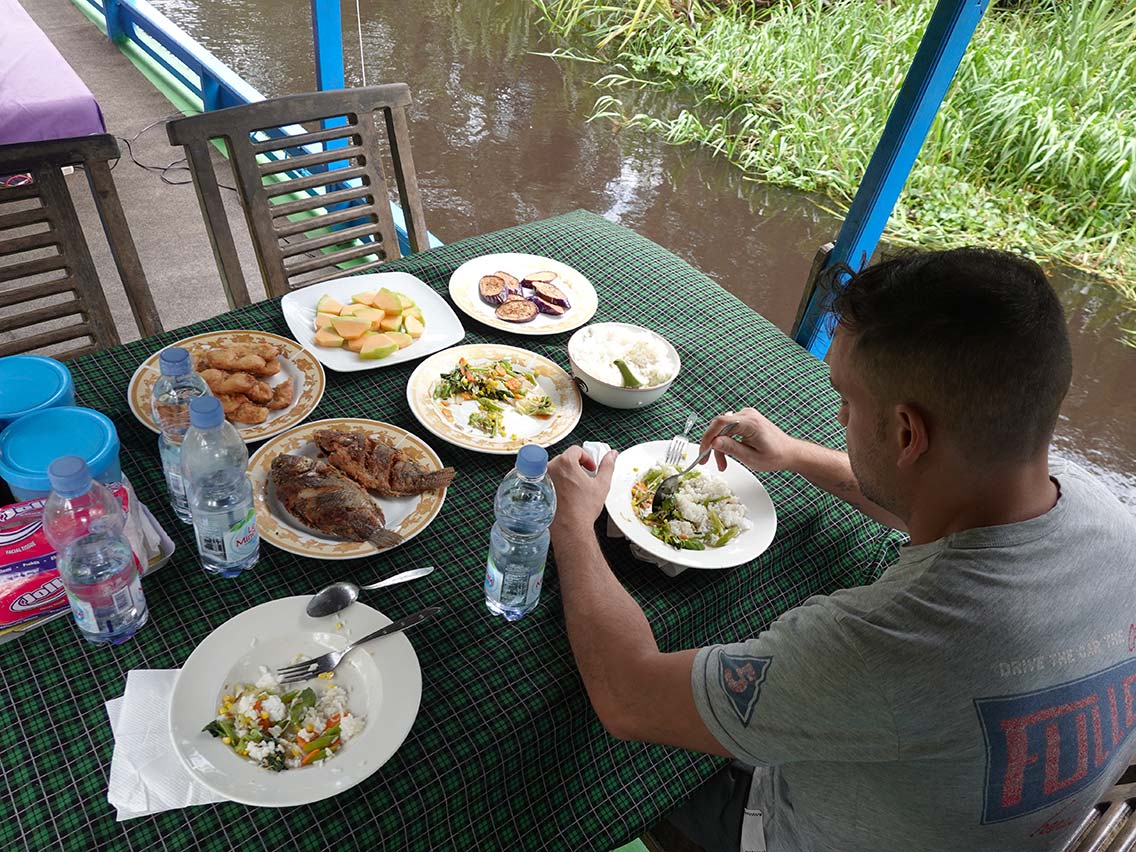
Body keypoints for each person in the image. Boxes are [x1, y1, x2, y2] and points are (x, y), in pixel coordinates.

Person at [546, 248, 1136, 852]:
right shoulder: (1103, 515)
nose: (839, 416)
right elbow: (942, 494)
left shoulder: (887, 642)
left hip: (781, 830)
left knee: (612, 764)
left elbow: (629, 695)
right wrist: (796, 454)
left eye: (847, 401)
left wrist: (572, 521)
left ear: (907, 433)